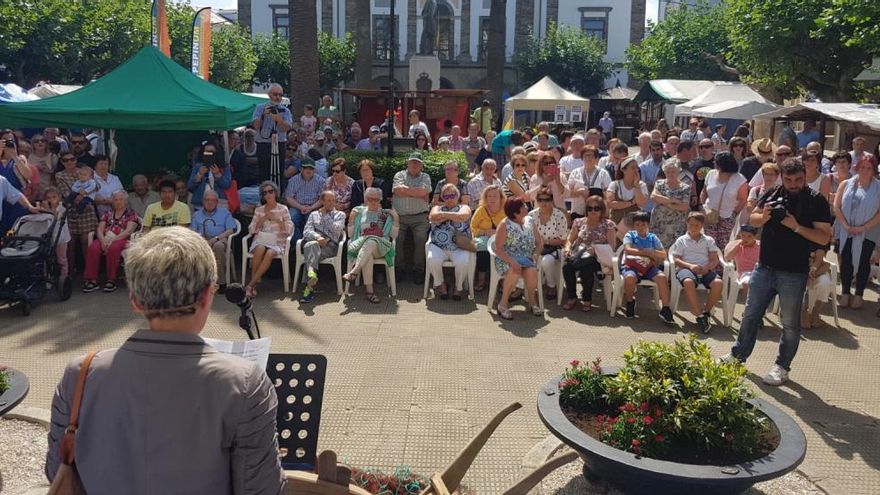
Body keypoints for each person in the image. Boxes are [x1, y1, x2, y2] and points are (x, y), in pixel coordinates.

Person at [45, 227, 287, 494]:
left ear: (135, 301)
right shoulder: (245, 384)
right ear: (208, 295)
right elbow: (262, 490)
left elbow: (56, 471)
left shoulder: (80, 374)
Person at [722, 159, 833, 386]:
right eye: (789, 179)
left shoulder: (816, 201)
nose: (793, 184)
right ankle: (737, 356)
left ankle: (782, 367)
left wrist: (796, 226)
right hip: (765, 267)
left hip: (794, 271)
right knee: (751, 315)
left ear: (805, 176)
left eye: (798, 179)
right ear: (782, 176)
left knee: (790, 323)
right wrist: (764, 217)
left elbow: (824, 237)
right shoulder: (773, 192)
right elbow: (752, 218)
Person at [833, 157, 880, 309]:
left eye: (869, 168)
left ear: (874, 170)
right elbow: (836, 206)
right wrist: (846, 225)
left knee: (863, 262)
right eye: (862, 167)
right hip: (845, 230)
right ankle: (846, 292)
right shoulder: (846, 184)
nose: (865, 171)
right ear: (857, 168)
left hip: (868, 232)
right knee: (845, 261)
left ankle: (859, 294)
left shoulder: (878, 188)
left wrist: (863, 227)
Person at [671, 212, 724, 334]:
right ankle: (700, 316)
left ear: (702, 226)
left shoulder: (708, 240)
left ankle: (706, 312)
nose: (693, 228)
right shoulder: (681, 240)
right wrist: (690, 266)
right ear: (687, 224)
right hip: (686, 268)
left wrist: (707, 267)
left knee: (718, 283)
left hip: (704, 269)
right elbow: (676, 259)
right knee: (688, 282)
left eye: (697, 225)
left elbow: (714, 260)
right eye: (691, 225)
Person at [561, 195, 616, 311]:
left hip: (598, 257)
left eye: (596, 208)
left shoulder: (608, 224)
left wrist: (596, 250)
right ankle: (574, 297)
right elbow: (570, 240)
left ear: (602, 210)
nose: (593, 211)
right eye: (590, 208)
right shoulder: (579, 222)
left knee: (584, 268)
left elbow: (612, 247)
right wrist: (567, 248)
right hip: (580, 253)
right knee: (567, 267)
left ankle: (585, 299)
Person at [343, 187, 397, 303]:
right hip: (362, 247)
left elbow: (394, 235)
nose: (373, 202)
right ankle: (369, 291)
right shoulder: (359, 212)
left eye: (376, 199)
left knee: (372, 240)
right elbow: (351, 235)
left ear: (380, 200)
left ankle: (354, 272)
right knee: (368, 254)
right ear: (366, 199)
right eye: (370, 199)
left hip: (381, 247)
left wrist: (396, 218)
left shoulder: (385, 214)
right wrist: (351, 219)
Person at [620, 211, 674, 323]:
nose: (640, 227)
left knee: (662, 278)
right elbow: (627, 249)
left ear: (648, 225)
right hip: (632, 266)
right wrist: (646, 253)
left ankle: (666, 308)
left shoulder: (653, 238)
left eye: (643, 224)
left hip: (649, 267)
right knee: (629, 278)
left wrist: (653, 251)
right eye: (637, 225)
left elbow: (663, 254)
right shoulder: (630, 235)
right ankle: (630, 301)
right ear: (634, 225)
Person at [494, 198, 543, 320]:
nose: (527, 207)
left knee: (531, 271)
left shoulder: (530, 221)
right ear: (516, 213)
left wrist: (536, 254)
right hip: (507, 259)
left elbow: (539, 243)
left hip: (526, 259)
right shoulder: (504, 225)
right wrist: (512, 261)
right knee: (515, 270)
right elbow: (498, 249)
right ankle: (503, 304)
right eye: (523, 206)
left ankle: (532, 302)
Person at [82, 190, 140, 293]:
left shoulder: (131, 214)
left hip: (122, 239)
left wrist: (111, 241)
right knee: (93, 248)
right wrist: (103, 240)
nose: (118, 202)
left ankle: (111, 279)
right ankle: (92, 280)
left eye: (121, 199)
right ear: (112, 201)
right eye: (115, 199)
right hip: (105, 238)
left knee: (113, 248)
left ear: (126, 201)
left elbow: (128, 232)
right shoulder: (107, 214)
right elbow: (99, 229)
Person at [245, 181, 293, 299]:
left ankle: (251, 285)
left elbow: (290, 229)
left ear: (275, 193)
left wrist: (278, 220)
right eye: (265, 193)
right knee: (260, 247)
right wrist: (263, 219)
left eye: (270, 191)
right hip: (261, 239)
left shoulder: (283, 209)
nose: (268, 194)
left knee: (270, 253)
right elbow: (251, 229)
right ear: (263, 196)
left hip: (277, 241)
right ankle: (253, 286)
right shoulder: (259, 210)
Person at [426, 184, 473, 300]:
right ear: (442, 198)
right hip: (438, 246)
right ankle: (441, 285)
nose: (449, 199)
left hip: (460, 246)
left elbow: (463, 216)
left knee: (463, 262)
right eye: (446, 197)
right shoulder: (436, 208)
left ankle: (458, 287)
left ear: (457, 196)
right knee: (432, 260)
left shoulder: (464, 207)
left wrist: (444, 216)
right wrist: (453, 216)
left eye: (452, 195)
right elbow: (432, 217)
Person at [299, 190, 346, 303]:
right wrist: (317, 237)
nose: (331, 203)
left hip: (330, 246)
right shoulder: (313, 214)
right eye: (328, 200)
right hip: (314, 244)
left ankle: (310, 279)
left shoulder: (340, 215)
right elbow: (306, 232)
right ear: (322, 201)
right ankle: (309, 285)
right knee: (312, 245)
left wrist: (325, 215)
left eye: (333, 201)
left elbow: (336, 229)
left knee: (310, 251)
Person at [392, 152, 432, 284]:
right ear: (407, 163)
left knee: (421, 239)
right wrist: (418, 193)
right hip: (400, 217)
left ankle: (419, 270)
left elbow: (423, 191)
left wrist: (407, 191)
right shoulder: (399, 175)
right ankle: (399, 268)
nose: (414, 165)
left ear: (421, 165)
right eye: (412, 162)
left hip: (420, 217)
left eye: (417, 163)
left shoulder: (426, 176)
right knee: (397, 239)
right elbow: (398, 191)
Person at [54, 152, 97, 272]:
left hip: (87, 210)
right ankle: (69, 271)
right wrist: (81, 196)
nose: (69, 162)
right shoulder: (59, 175)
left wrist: (85, 197)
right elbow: (65, 192)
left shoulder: (85, 170)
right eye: (65, 160)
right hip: (71, 210)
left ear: (76, 159)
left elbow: (96, 186)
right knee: (70, 243)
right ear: (61, 162)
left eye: (72, 159)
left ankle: (89, 272)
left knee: (86, 242)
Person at [701, 151, 748, 250]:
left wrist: (734, 214)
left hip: (727, 216)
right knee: (709, 243)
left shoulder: (739, 179)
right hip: (710, 213)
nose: (714, 162)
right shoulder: (710, 174)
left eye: (716, 161)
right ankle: (711, 264)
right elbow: (704, 192)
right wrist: (702, 207)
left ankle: (721, 264)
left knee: (723, 244)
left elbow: (743, 199)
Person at [191, 190, 236, 292]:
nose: (209, 202)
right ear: (203, 201)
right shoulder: (196, 215)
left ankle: (221, 282)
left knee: (218, 246)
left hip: (220, 238)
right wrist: (202, 241)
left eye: (212, 200)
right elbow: (193, 232)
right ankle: (198, 283)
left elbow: (231, 229)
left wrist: (215, 239)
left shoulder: (224, 213)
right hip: (202, 239)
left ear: (216, 202)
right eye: (207, 200)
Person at [529, 187, 568, 299]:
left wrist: (545, 241)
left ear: (551, 200)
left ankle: (551, 285)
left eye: (546, 199)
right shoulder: (531, 215)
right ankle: (523, 289)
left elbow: (563, 239)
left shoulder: (559, 215)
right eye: (540, 200)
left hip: (554, 247)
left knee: (546, 261)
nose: (543, 202)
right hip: (535, 247)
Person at [252, 84, 293, 180]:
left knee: (278, 172)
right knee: (264, 173)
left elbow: (287, 127)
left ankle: (278, 192)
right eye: (275, 94)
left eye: (280, 95)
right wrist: (263, 115)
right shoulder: (260, 108)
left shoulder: (285, 110)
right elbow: (255, 126)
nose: (277, 97)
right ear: (269, 94)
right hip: (264, 144)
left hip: (279, 144)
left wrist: (279, 119)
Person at [470, 185, 506, 292]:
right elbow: (472, 228)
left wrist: (499, 233)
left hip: (502, 238)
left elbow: (512, 226)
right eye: (489, 196)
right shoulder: (481, 210)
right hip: (484, 238)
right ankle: (481, 279)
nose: (492, 199)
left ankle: (502, 280)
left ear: (501, 197)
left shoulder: (506, 209)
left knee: (505, 249)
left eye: (495, 196)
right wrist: (484, 232)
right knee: (482, 248)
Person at [651, 159, 692, 249]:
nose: (670, 174)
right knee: (658, 247)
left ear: (678, 171)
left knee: (675, 249)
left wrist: (664, 202)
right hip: (659, 223)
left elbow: (684, 207)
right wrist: (673, 201)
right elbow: (654, 197)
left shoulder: (685, 188)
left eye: (673, 172)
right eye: (667, 172)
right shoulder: (659, 183)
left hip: (677, 224)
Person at [568, 144, 612, 219]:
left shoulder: (603, 173)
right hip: (578, 212)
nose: (589, 158)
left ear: (596, 158)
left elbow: (608, 194)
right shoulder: (575, 172)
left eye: (591, 155)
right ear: (582, 157)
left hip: (597, 213)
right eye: (586, 155)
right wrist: (579, 192)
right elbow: (568, 193)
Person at [1, 133, 34, 231]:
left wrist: (14, 156)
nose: (8, 143)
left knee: (15, 231)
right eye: (5, 140)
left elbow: (28, 176)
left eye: (11, 140)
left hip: (18, 200)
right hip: (1, 200)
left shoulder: (20, 159)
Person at [285, 158, 323, 240]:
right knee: (290, 220)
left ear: (314, 170)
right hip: (296, 206)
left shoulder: (321, 181)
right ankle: (297, 243)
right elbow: (289, 197)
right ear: (301, 169)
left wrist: (311, 207)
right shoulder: (293, 180)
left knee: (313, 222)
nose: (309, 170)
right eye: (306, 168)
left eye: (311, 168)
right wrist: (300, 207)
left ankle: (308, 244)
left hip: (313, 207)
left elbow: (322, 199)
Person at [188, 142, 232, 209]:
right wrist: (199, 174)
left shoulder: (224, 167)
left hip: (219, 204)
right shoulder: (198, 166)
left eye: (212, 152)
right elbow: (190, 186)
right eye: (207, 152)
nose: (209, 154)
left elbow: (227, 185)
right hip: (200, 204)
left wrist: (218, 174)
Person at [606, 157, 648, 224]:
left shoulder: (642, 185)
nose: (636, 170)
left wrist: (637, 186)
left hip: (634, 225)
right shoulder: (614, 184)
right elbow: (610, 204)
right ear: (624, 170)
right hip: (616, 223)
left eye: (637, 167)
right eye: (633, 168)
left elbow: (641, 203)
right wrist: (631, 203)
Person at [800, 247, 834, 328]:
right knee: (798, 283)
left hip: (816, 272)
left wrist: (813, 274)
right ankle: (803, 312)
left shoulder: (819, 240)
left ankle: (816, 312)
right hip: (798, 272)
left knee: (825, 282)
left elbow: (825, 264)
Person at [724, 224, 760, 294]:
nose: (745, 238)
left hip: (759, 272)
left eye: (749, 236)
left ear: (755, 237)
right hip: (744, 273)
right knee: (748, 283)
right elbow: (727, 257)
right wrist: (738, 244)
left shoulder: (760, 246)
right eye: (743, 235)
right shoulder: (735, 244)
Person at [638, 140, 665, 213]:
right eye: (653, 150)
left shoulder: (669, 165)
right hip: (648, 207)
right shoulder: (643, 167)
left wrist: (652, 186)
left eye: (658, 149)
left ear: (662, 150)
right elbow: (644, 187)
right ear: (650, 151)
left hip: (665, 207)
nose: (656, 152)